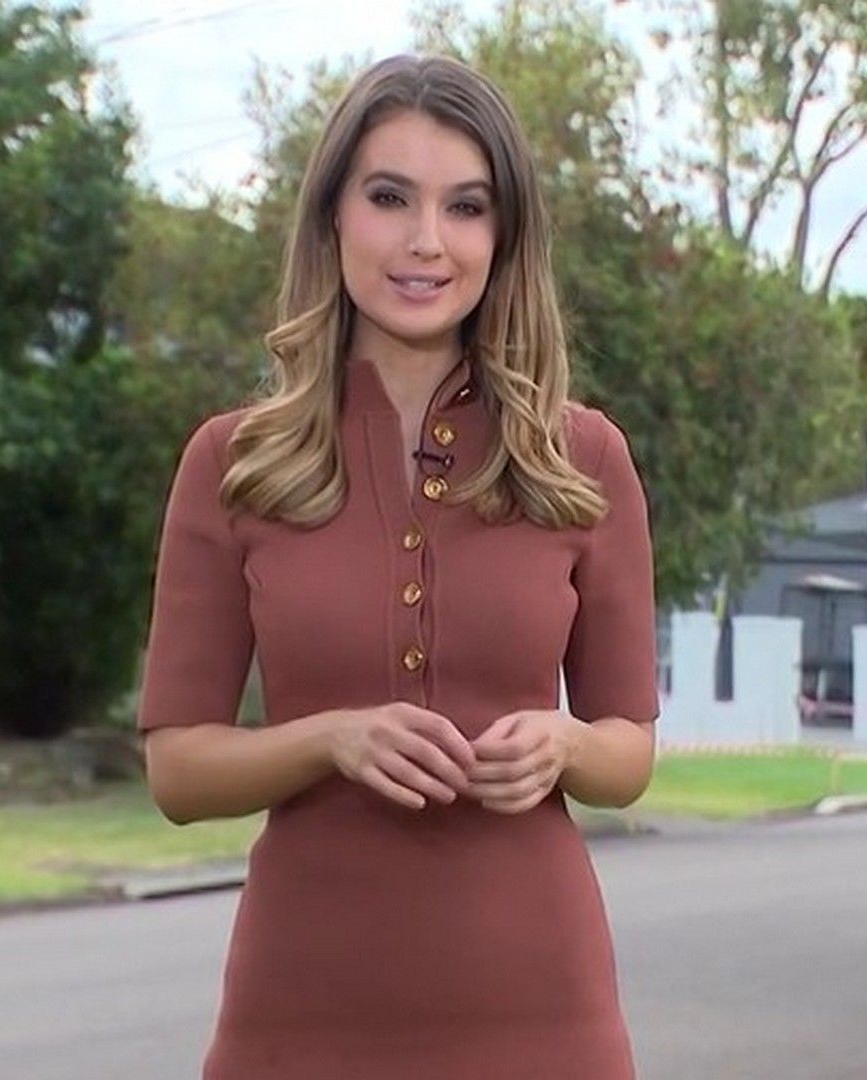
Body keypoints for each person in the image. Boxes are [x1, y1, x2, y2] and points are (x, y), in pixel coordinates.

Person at [136, 53, 659, 1079]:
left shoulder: (583, 457)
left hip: (542, 1016)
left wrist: (561, 744)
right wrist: (332, 739)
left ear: (503, 237)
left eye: (465, 206)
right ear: (332, 215)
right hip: (298, 1017)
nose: (427, 241)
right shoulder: (233, 462)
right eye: (389, 198)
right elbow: (178, 772)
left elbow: (628, 754)